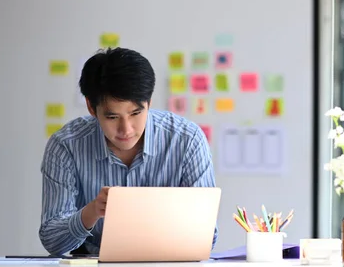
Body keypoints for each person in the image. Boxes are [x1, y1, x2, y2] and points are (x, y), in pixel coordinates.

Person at [38, 47, 217, 256]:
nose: (127, 129)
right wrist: (92, 212)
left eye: (135, 113)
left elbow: (206, 236)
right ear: (90, 107)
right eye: (112, 117)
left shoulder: (187, 140)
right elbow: (52, 241)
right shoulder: (66, 146)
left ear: (149, 103)